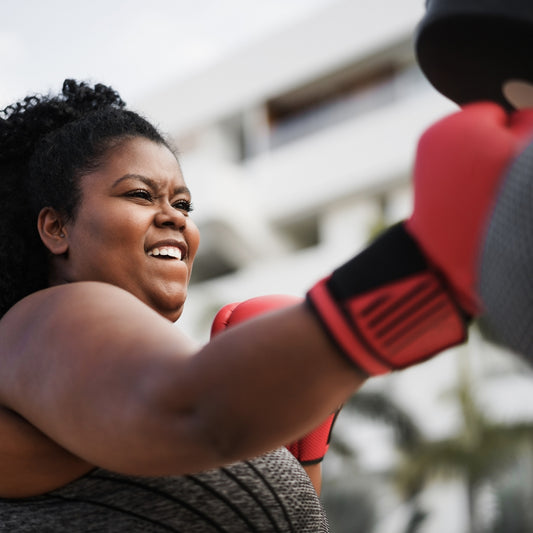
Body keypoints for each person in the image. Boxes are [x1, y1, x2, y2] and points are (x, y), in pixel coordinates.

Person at [0, 79, 531, 532]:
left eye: (183, 203)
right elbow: (189, 411)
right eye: (141, 195)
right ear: (56, 227)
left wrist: (301, 461)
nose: (174, 217)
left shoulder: (108, 371)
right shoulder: (41, 321)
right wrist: (424, 265)